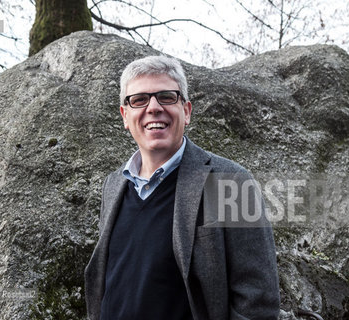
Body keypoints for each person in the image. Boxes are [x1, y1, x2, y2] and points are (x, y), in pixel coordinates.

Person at [84, 55, 280, 320]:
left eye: (166, 96)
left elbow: (257, 302)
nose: (153, 107)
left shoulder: (231, 181)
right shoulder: (114, 184)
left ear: (186, 111)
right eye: (139, 100)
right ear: (125, 116)